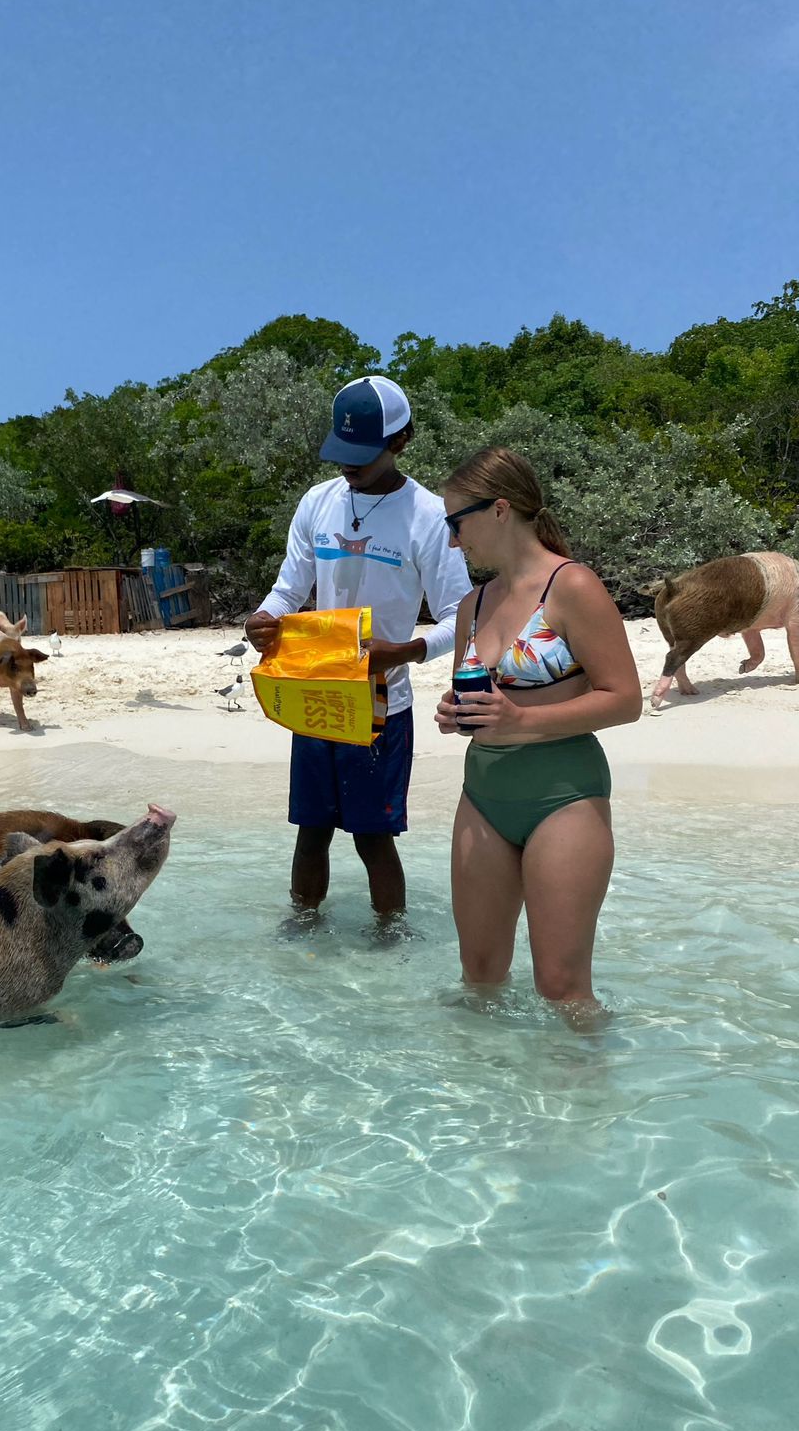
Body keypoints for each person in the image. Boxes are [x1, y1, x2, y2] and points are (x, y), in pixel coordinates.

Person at [245, 376, 472, 924]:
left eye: (362, 456)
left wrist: (407, 651)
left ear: (401, 441)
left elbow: (461, 619)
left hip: (380, 708)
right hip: (315, 698)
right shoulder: (316, 503)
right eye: (341, 452)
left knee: (373, 840)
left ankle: (390, 941)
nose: (348, 466)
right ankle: (301, 930)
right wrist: (266, 618)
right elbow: (288, 588)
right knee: (310, 833)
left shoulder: (429, 517)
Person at [435, 446, 642, 1012]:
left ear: (500, 510)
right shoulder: (472, 605)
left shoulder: (572, 587)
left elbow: (625, 700)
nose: (453, 539)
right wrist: (455, 714)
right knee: (478, 976)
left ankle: (589, 1099)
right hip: (482, 795)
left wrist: (522, 719)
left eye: (457, 522)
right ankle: (482, 1097)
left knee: (562, 988)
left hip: (564, 795)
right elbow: (479, 699)